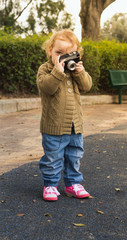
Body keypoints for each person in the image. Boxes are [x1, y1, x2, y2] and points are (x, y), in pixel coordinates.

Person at [36, 29, 92, 201]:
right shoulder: (45, 70)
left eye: (68, 54)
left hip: (75, 126)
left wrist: (80, 73)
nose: (63, 58)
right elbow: (47, 87)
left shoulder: (74, 71)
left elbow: (87, 86)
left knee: (74, 156)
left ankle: (72, 184)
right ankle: (50, 185)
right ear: (50, 51)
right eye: (59, 53)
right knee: (53, 157)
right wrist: (58, 71)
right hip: (53, 127)